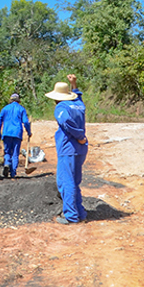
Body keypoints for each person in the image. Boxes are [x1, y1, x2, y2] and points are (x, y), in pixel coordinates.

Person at [45, 75, 89, 224]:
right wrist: (74, 84)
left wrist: (79, 135)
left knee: (65, 181)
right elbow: (78, 97)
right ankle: (80, 213)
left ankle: (71, 216)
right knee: (74, 181)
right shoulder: (78, 104)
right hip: (80, 149)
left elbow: (66, 122)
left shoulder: (61, 107)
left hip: (68, 147)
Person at [0, 93, 32, 178]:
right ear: (18, 101)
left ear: (11, 100)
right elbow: (26, 122)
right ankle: (13, 173)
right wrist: (29, 132)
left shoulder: (5, 109)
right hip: (17, 133)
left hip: (7, 133)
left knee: (7, 151)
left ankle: (7, 163)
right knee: (15, 153)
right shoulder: (21, 109)